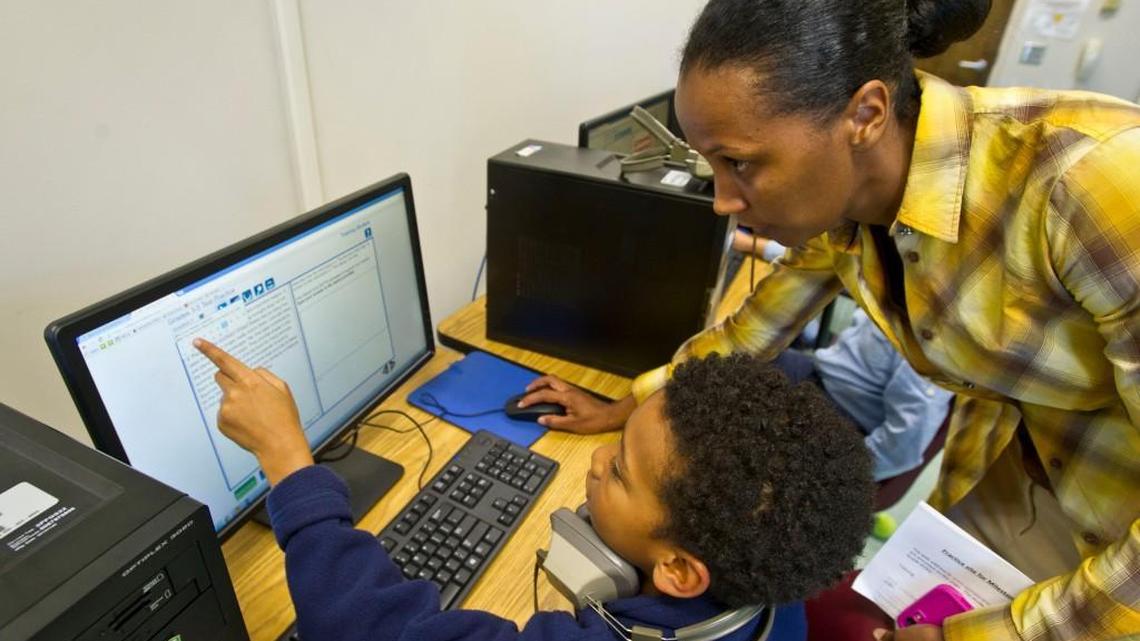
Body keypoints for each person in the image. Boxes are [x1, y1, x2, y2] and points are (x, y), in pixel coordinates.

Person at [519, 1, 1140, 639]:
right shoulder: (847, 200)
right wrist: (626, 406)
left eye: (740, 163)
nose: (724, 202)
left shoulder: (1095, 180)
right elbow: (747, 335)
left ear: (865, 116)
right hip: (1012, 462)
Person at [194, 338, 875, 641]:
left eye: (622, 471)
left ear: (678, 569)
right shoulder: (774, 603)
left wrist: (289, 462)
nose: (598, 458)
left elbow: (366, 627)